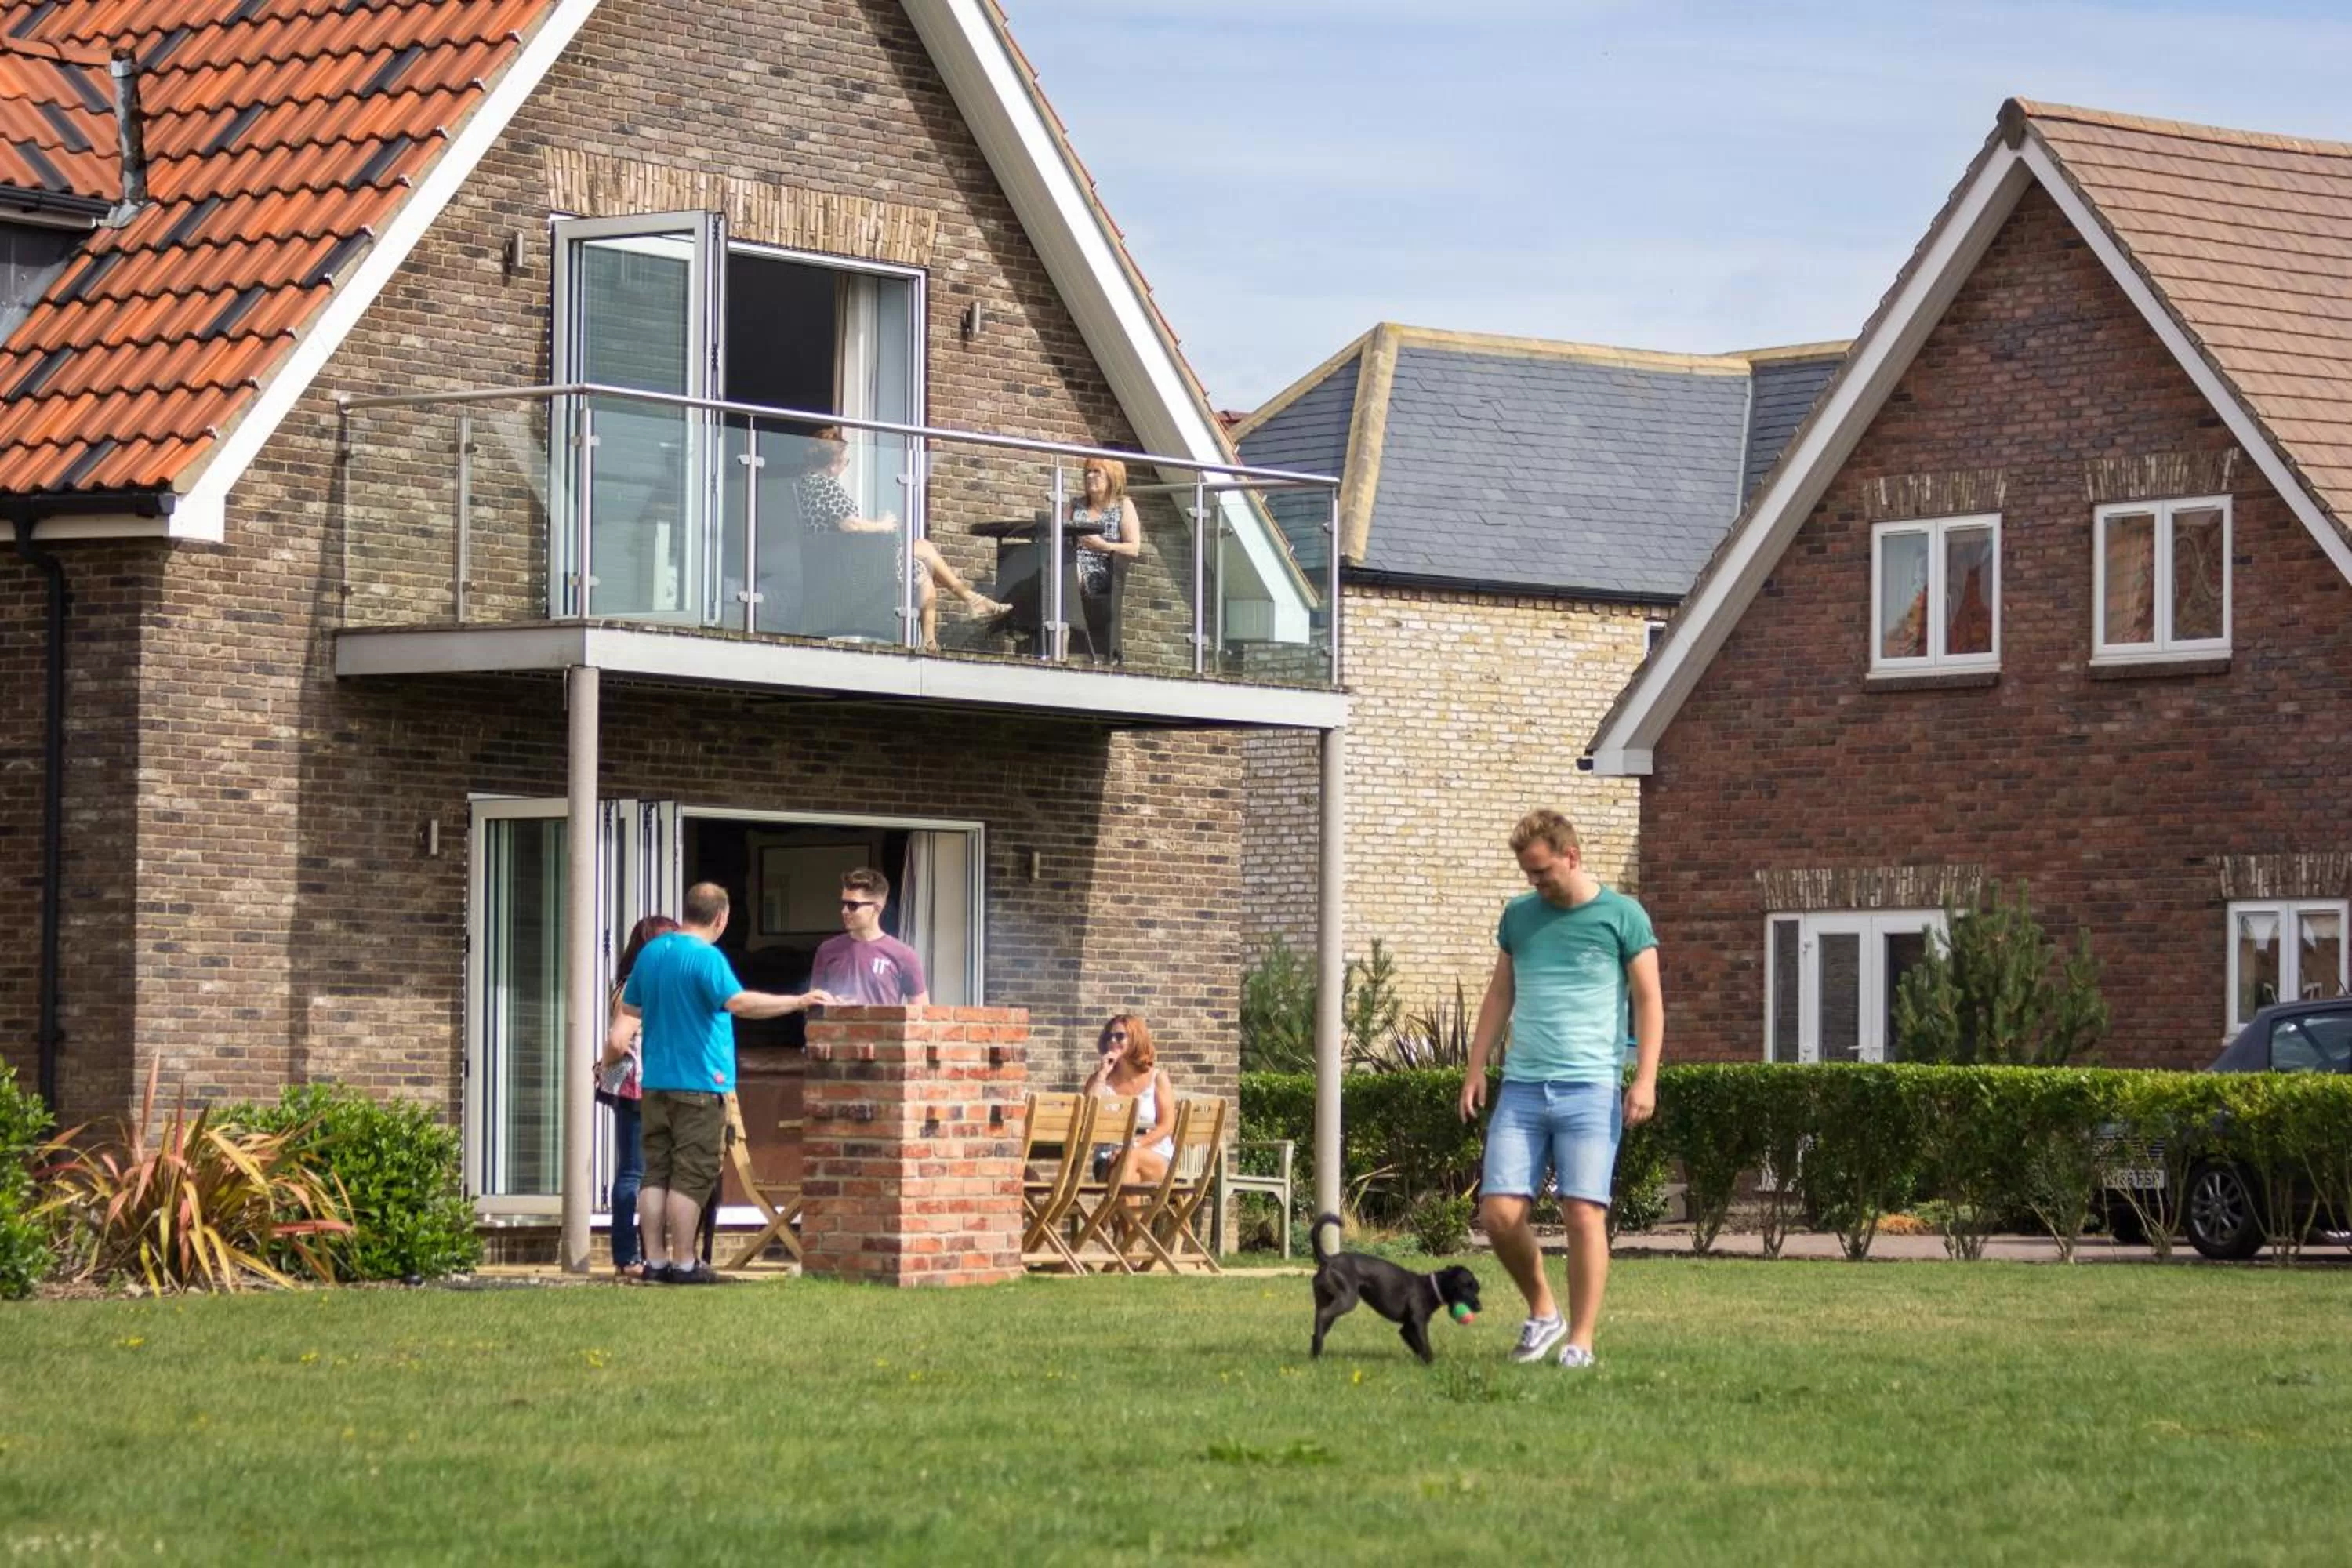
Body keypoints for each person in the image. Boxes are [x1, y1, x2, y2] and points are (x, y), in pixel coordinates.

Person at [1457, 808, 1661, 1368]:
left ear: (1571, 856)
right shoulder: (1519, 917)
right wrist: (1476, 1068)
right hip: (1523, 1087)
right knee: (1497, 1214)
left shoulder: (1623, 916)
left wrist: (1644, 1076)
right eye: (1528, 874)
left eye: (1543, 872)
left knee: (1582, 1213)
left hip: (1591, 1089)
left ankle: (1582, 1340)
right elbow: (1501, 994)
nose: (1535, 883)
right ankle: (1544, 1311)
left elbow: (1648, 1000)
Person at [607, 880, 833, 1285]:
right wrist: (798, 1001)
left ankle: (655, 1262)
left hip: (654, 1085)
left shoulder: (652, 953)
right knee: (692, 1175)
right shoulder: (707, 957)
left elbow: (629, 1010)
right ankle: (684, 1263)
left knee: (656, 1173)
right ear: (721, 917)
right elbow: (739, 1003)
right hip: (699, 1084)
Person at [793, 426, 1004, 650]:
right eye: (846, 461)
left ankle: (969, 600)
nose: (846, 466)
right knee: (923, 571)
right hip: (853, 566)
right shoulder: (825, 485)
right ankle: (934, 638)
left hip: (842, 559)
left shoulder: (807, 483)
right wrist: (883, 525)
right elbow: (850, 525)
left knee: (923, 548)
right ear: (833, 462)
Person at [597, 913, 679, 1280]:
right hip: (640, 1086)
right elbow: (619, 1040)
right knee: (635, 1172)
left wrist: (604, 1066)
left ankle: (647, 1254)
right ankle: (628, 1255)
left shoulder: (637, 982)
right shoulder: (637, 985)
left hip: (642, 1085)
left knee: (646, 1172)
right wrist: (607, 1062)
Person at [809, 867, 928, 1006]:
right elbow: (812, 1005)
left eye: (853, 905)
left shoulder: (903, 955)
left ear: (877, 908)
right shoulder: (827, 950)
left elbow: (922, 1014)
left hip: (885, 1028)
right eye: (844, 904)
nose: (845, 911)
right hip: (838, 1027)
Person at [1083, 1014, 1176, 1188]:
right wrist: (1102, 1074)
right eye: (1108, 1037)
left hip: (1153, 1155)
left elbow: (1167, 1125)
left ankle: (1121, 1216)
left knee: (1130, 1157)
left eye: (1119, 1036)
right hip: (1108, 1158)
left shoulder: (1157, 1078)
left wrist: (1133, 1146)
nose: (1112, 1041)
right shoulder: (1099, 1080)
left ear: (1136, 1039)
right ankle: (1131, 1216)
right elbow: (1087, 1115)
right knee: (1129, 1170)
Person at [1070, 456, 1143, 599]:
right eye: (1087, 472)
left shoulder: (1123, 506)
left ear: (1112, 477)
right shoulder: (1075, 504)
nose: (1090, 476)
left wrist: (1102, 545)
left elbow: (1134, 549)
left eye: (1097, 471)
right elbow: (1058, 532)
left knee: (1065, 573)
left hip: (1100, 571)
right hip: (1069, 562)